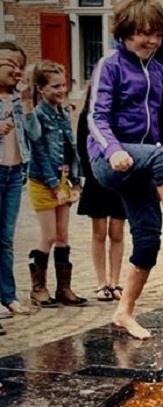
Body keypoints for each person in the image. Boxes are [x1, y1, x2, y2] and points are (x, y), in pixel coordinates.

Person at [87, 0, 163, 339]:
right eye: (146, 34)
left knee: (147, 240)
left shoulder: (158, 71)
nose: (153, 41)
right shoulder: (110, 65)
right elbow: (95, 117)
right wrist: (113, 150)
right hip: (109, 160)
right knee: (162, 157)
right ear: (127, 31)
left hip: (144, 165)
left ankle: (124, 311)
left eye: (159, 35)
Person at [27, 60, 87, 307]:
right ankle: (38, 289)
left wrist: (75, 181)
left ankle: (64, 288)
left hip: (62, 179)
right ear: (41, 89)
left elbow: (70, 149)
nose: (61, 90)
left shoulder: (62, 112)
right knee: (49, 235)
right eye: (55, 86)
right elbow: (39, 153)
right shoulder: (36, 115)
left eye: (63, 85)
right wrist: (54, 186)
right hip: (43, 181)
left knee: (63, 235)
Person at [77, 85, 127, 302]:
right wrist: (93, 174)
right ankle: (101, 283)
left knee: (117, 232)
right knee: (99, 232)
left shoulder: (124, 116)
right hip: (97, 180)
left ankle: (115, 282)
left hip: (120, 179)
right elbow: (82, 149)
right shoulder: (86, 118)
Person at [0, 41, 38, 316]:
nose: (15, 70)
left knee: (6, 239)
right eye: (8, 64)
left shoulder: (17, 98)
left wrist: (26, 101)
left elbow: (34, 134)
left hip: (15, 172)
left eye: (19, 66)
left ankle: (8, 296)